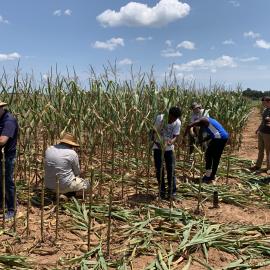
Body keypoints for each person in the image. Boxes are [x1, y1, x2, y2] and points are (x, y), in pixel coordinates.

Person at [184, 117, 229, 183]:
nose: (197, 126)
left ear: (198, 121)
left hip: (219, 138)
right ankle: (212, 175)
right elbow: (212, 134)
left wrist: (184, 137)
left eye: (197, 124)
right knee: (216, 157)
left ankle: (207, 176)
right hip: (223, 137)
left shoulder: (203, 119)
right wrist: (202, 141)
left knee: (208, 155)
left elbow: (189, 125)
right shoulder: (207, 123)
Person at [151, 107, 181, 199]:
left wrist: (171, 142)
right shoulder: (160, 118)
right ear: (169, 115)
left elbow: (176, 136)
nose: (173, 121)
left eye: (175, 119)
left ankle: (172, 192)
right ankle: (162, 191)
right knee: (159, 170)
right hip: (157, 148)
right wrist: (157, 143)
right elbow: (152, 132)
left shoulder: (177, 122)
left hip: (169, 149)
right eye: (172, 118)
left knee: (171, 170)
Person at [0, 101, 19, 220]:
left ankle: (11, 209)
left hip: (7, 156)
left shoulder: (9, 121)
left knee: (8, 182)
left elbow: (2, 141)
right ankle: (2, 203)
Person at [252, 96, 270, 173]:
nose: (263, 104)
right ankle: (258, 165)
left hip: (268, 134)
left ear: (268, 102)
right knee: (260, 150)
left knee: (268, 151)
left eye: (264, 102)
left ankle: (268, 168)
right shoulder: (265, 110)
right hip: (262, 132)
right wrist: (258, 129)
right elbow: (263, 121)